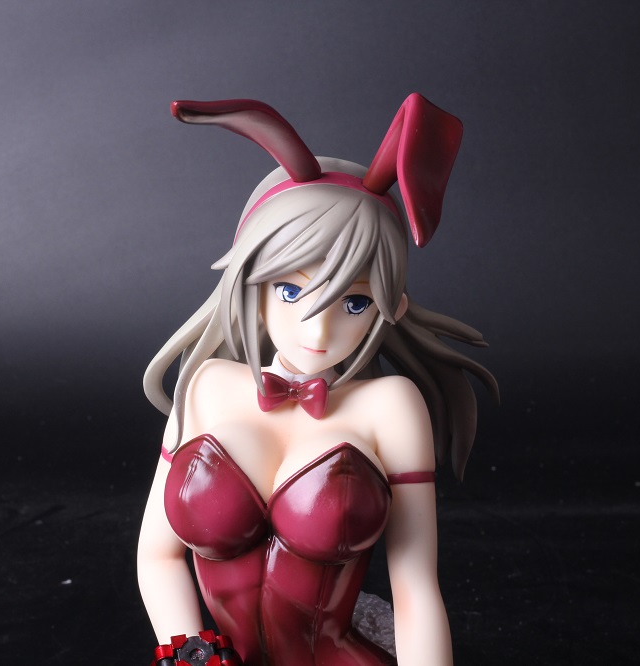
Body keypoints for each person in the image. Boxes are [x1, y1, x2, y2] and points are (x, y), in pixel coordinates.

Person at [137, 94, 498, 666]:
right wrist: (190, 655)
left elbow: (415, 588)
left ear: (391, 308)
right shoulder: (207, 387)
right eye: (290, 290)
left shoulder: (390, 408)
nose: (318, 328)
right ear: (250, 287)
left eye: (355, 303)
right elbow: (157, 557)